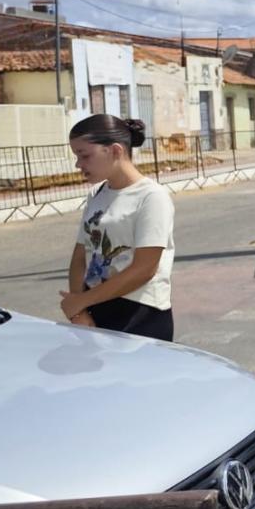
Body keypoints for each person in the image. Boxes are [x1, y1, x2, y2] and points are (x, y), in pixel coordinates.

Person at [63, 115, 176, 341]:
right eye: (77, 156)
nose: (78, 164)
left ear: (115, 150)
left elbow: (145, 268)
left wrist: (80, 301)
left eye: (84, 155)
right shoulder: (97, 194)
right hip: (95, 309)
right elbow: (80, 255)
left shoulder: (151, 197)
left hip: (140, 315)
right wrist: (79, 311)